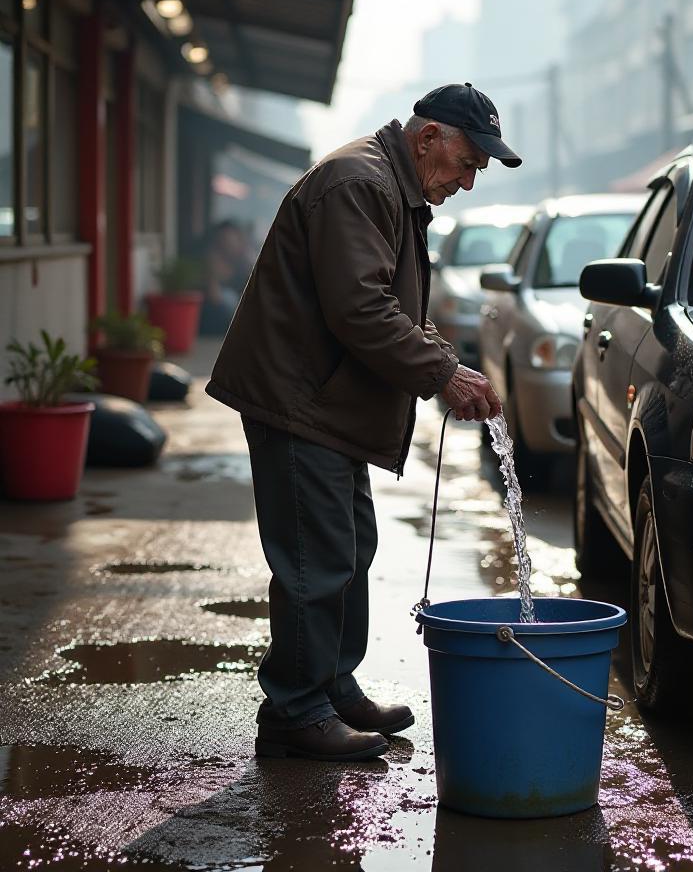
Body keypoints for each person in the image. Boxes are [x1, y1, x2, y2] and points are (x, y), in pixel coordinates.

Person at [206, 84, 520, 761]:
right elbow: (361, 310)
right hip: (302, 401)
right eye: (468, 163)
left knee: (350, 550)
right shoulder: (360, 183)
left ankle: (330, 686)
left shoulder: (392, 187)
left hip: (329, 403)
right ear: (429, 137)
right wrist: (442, 374)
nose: (467, 182)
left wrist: (446, 363)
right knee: (315, 561)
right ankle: (295, 709)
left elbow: (394, 307)